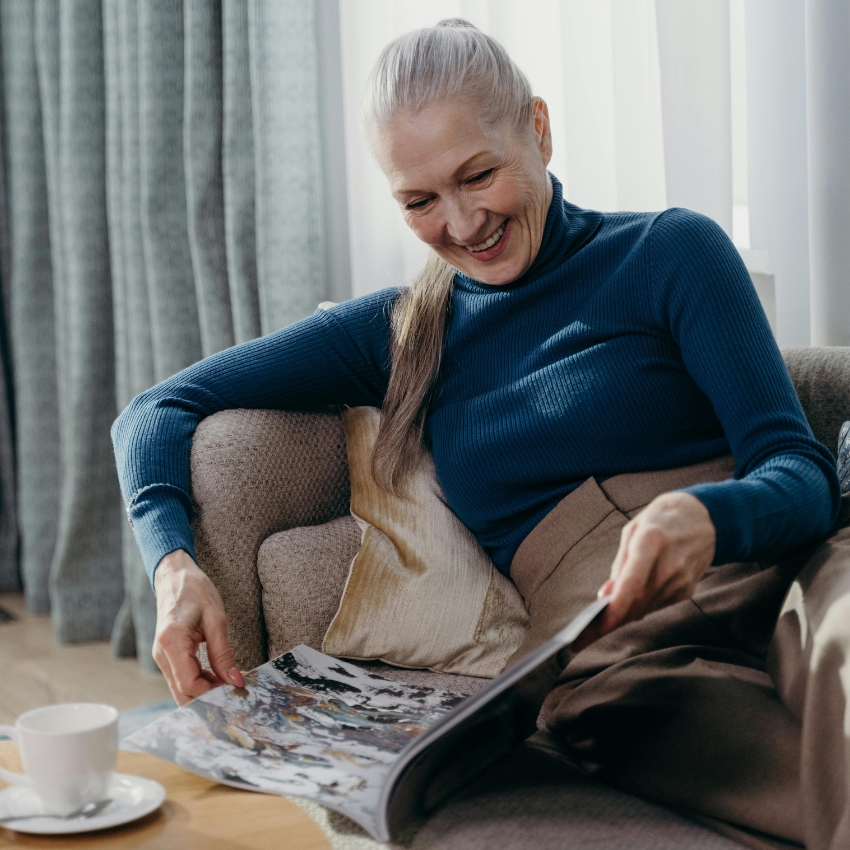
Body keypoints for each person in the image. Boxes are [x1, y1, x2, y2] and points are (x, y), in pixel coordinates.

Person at [112, 19, 848, 850]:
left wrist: (709, 517)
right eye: (419, 201)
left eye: (479, 175)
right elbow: (156, 408)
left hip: (788, 573)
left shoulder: (669, 250)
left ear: (536, 128)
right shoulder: (401, 330)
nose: (462, 224)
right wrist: (175, 569)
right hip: (616, 660)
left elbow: (801, 469)